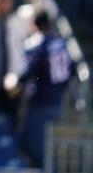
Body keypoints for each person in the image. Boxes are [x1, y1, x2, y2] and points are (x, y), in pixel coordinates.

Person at [18, 10, 74, 166]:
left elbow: (31, 71)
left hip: (39, 102)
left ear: (35, 25)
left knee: (36, 148)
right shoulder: (61, 42)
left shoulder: (39, 43)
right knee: (51, 147)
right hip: (56, 101)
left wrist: (19, 85)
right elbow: (71, 71)